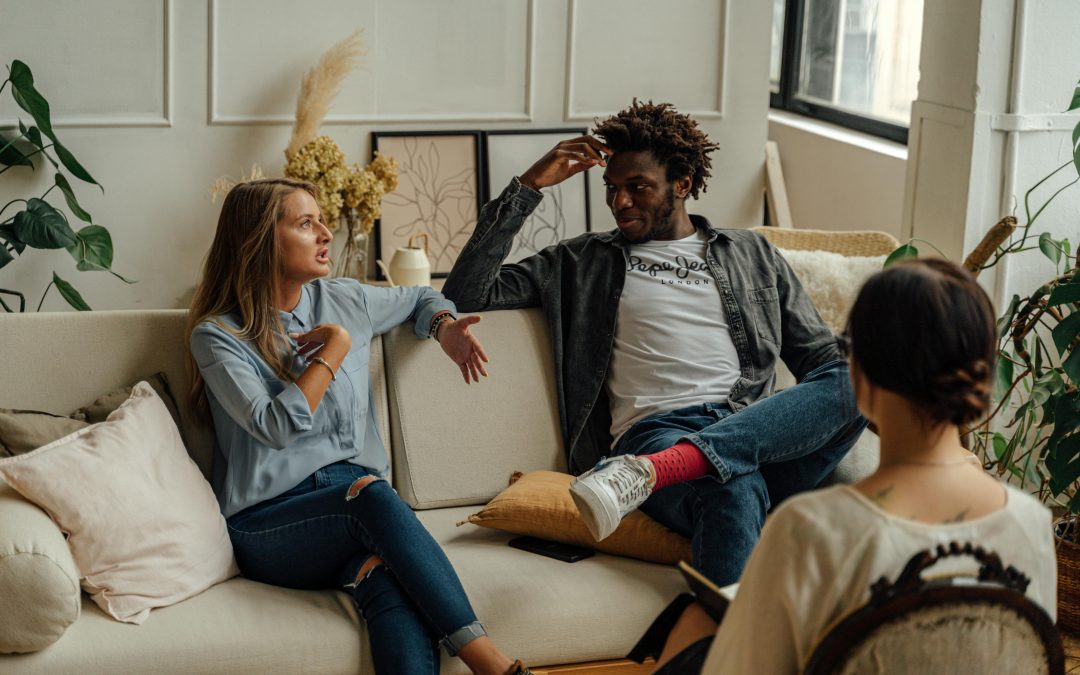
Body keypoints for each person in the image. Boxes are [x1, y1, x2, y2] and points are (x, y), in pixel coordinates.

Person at [442, 100, 866, 586]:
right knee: (732, 486)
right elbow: (466, 294)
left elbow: (824, 364)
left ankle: (663, 470)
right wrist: (528, 187)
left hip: (754, 432)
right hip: (657, 434)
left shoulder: (753, 253)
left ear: (682, 185)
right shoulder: (581, 262)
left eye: (637, 187)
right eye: (612, 188)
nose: (620, 202)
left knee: (864, 377)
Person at [641, 258, 1057, 674]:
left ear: (857, 374)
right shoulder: (1033, 524)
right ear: (982, 377)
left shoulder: (811, 529)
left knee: (695, 618)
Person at [185, 178, 530, 675]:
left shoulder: (345, 298)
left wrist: (444, 327)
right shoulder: (218, 336)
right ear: (261, 239)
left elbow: (418, 298)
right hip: (269, 524)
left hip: (359, 513)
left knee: (386, 579)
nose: (326, 233)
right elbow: (276, 427)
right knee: (372, 495)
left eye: (322, 220)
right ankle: (493, 665)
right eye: (306, 224)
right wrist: (334, 350)